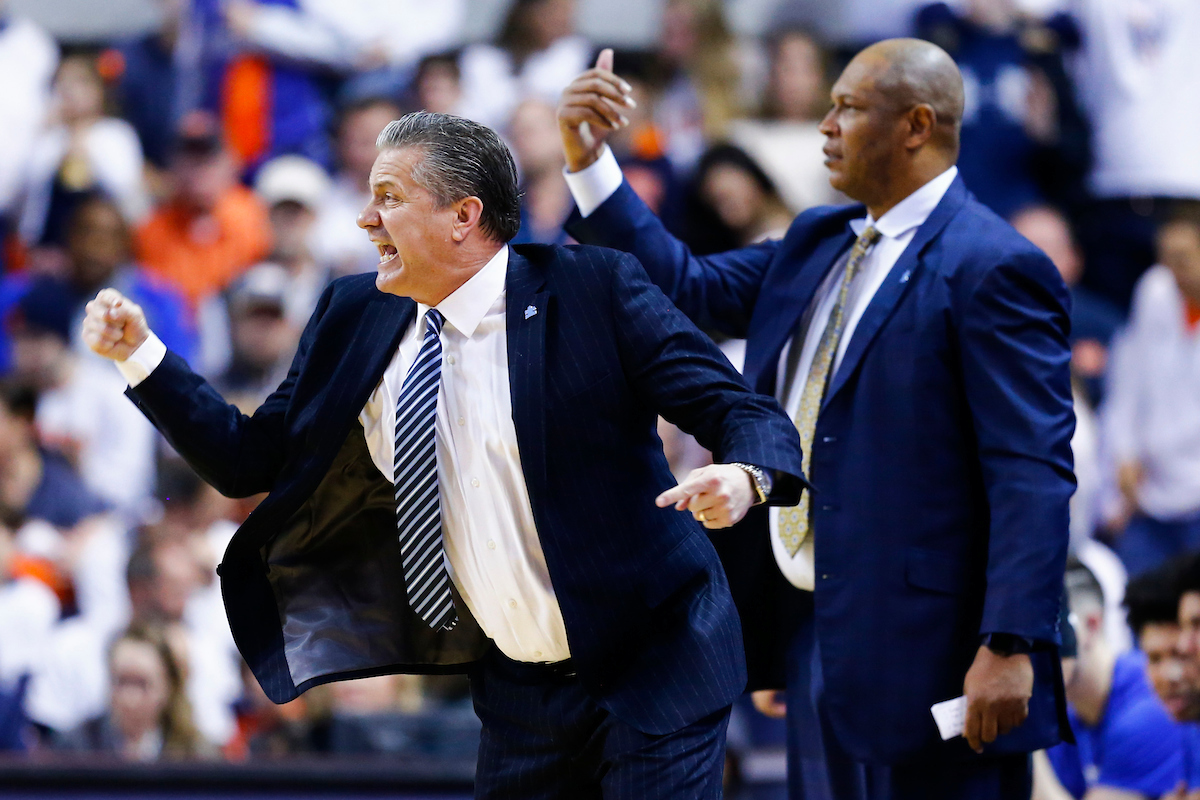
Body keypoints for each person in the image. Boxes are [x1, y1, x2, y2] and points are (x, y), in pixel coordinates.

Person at [82, 111, 807, 797]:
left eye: (390, 198)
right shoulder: (352, 315)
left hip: (654, 655)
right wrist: (142, 356)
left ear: (464, 216)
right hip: (520, 686)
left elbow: (738, 406)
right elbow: (248, 459)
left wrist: (745, 476)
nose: (365, 219)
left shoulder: (593, 288)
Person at [558, 40, 1074, 799]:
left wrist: (1013, 642)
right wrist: (590, 163)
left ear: (916, 125)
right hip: (813, 626)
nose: (825, 127)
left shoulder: (995, 265)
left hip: (934, 645)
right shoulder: (820, 241)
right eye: (829, 106)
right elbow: (683, 286)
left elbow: (1031, 471)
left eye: (849, 108)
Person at [1101, 201, 1200, 578]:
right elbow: (1127, 379)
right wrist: (1124, 452)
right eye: (1164, 257)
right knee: (1137, 596)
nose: (1171, 270)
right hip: (1148, 493)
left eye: (1182, 259)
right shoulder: (1156, 290)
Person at [1043, 561, 1184, 798]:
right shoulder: (1065, 718)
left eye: (1049, 629)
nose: (1032, 649)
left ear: (1091, 624)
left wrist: (1026, 745)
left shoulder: (1155, 703)